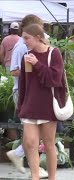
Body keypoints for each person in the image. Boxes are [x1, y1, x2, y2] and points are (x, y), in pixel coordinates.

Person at [17, 23, 66, 180]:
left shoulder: (54, 53)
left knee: (49, 144)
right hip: (30, 106)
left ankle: (52, 177)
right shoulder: (27, 55)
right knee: (30, 143)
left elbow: (54, 80)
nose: (24, 41)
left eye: (27, 38)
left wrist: (37, 64)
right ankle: (35, 177)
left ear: (38, 37)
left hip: (47, 106)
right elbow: (24, 84)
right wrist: (21, 105)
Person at [7, 15, 49, 178]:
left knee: (34, 130)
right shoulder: (21, 47)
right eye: (40, 28)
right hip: (23, 91)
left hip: (33, 92)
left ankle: (22, 157)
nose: (42, 32)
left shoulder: (33, 45)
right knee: (33, 130)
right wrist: (30, 68)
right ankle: (28, 163)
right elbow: (13, 71)